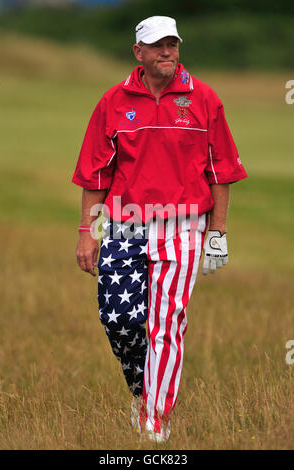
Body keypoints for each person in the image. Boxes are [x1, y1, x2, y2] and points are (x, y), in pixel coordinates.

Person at [72, 16, 247, 443]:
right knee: (120, 320)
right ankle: (141, 389)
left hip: (183, 226)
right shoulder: (113, 101)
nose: (166, 52)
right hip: (123, 226)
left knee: (165, 324)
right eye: (157, 46)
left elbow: (220, 171)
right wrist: (85, 232)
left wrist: (217, 233)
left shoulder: (204, 99)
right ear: (139, 53)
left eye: (172, 44)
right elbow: (96, 174)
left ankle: (155, 425)